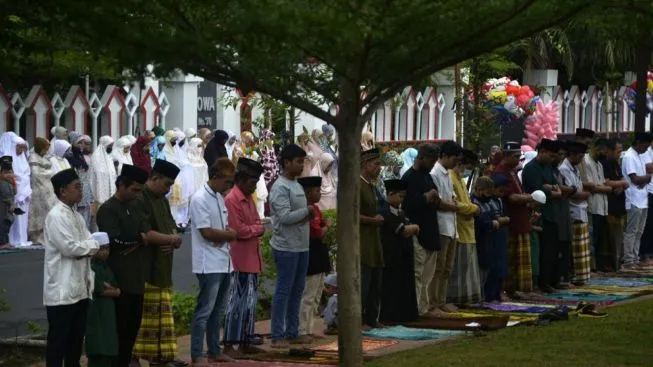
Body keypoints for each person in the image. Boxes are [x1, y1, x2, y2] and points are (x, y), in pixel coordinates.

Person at [43, 168, 108, 367]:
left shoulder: (76, 216)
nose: (81, 192)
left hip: (80, 290)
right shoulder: (56, 216)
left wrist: (92, 246)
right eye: (77, 187)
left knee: (75, 343)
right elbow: (70, 247)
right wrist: (94, 248)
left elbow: (89, 240)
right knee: (58, 344)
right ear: (63, 191)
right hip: (62, 292)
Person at [132, 159, 187, 366]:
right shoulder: (140, 198)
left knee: (161, 316)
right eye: (167, 184)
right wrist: (170, 239)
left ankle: (161, 357)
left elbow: (172, 227)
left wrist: (173, 239)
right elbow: (145, 232)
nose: (168, 189)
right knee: (144, 318)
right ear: (154, 178)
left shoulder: (161, 199)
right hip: (146, 268)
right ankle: (135, 356)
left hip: (163, 266)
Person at [96, 164, 150, 367]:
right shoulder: (108, 209)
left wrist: (137, 239)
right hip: (118, 279)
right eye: (134, 189)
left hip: (136, 277)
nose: (137, 194)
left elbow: (145, 231)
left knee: (132, 330)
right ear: (121, 186)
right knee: (118, 329)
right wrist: (138, 239)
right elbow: (115, 241)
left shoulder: (135, 205)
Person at [189, 159, 237, 366]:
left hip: (224, 260)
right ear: (215, 177)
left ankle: (214, 350)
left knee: (218, 310)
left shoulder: (219, 197)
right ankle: (197, 353)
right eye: (227, 181)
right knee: (205, 311)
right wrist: (229, 235)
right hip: (208, 263)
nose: (229, 186)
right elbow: (206, 232)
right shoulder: (199, 198)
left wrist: (227, 236)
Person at [223, 158, 266, 358]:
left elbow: (258, 223)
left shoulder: (248, 198)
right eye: (252, 182)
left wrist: (254, 229)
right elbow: (238, 230)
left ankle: (245, 342)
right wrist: (255, 229)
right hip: (239, 260)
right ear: (240, 179)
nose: (255, 186)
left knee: (249, 303)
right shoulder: (232, 199)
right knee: (236, 305)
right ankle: (230, 345)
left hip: (252, 258)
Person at [269, 144, 311, 347]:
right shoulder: (280, 187)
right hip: (285, 247)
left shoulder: (296, 184)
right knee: (283, 292)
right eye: (299, 162)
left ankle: (293, 332)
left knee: (297, 291)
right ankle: (277, 335)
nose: (302, 165)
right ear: (286, 163)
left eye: (303, 161)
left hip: (301, 246)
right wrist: (308, 212)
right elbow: (285, 217)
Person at [401, 144, 440, 315]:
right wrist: (426, 197)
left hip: (431, 229)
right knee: (418, 274)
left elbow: (434, 196)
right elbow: (406, 205)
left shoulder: (427, 176)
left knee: (428, 276)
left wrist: (434, 197)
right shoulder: (408, 178)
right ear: (421, 158)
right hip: (417, 232)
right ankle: (416, 309)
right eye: (431, 160)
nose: (433, 164)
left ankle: (425, 307)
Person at [492, 141, 534, 297]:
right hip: (508, 222)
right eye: (516, 156)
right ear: (507, 156)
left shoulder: (512, 172)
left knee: (517, 260)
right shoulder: (500, 173)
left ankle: (514, 289)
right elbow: (512, 198)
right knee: (507, 258)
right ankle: (504, 290)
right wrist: (529, 197)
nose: (518, 160)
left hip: (519, 220)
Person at [521, 139, 563, 293]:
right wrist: (551, 191)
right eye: (551, 156)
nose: (553, 160)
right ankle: (541, 282)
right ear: (542, 151)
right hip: (539, 214)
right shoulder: (531, 168)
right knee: (542, 250)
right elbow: (538, 191)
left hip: (552, 213)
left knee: (552, 249)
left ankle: (552, 279)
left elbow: (554, 187)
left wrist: (550, 189)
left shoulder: (548, 167)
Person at [379, 179, 419, 322]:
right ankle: (390, 317)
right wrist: (414, 228)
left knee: (405, 285)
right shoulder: (385, 211)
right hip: (392, 255)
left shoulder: (400, 212)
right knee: (392, 287)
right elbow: (403, 230)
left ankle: (405, 314)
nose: (402, 200)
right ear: (390, 194)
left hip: (404, 254)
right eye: (400, 196)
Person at [429, 140, 461, 314]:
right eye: (454, 158)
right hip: (442, 225)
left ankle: (442, 300)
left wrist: (454, 202)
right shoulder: (435, 173)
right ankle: (433, 303)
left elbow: (451, 196)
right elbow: (438, 202)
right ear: (445, 156)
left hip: (451, 226)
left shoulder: (447, 173)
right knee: (438, 268)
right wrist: (454, 206)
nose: (456, 162)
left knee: (447, 268)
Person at [298, 176, 331, 338]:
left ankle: (309, 328)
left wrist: (324, 228)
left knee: (317, 293)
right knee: (309, 295)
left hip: (320, 253)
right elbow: (317, 231)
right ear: (308, 193)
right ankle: (302, 329)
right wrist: (325, 229)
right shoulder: (307, 210)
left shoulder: (316, 209)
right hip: (312, 253)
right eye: (317, 190)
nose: (319, 193)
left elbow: (323, 224)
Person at [447, 149, 482, 305]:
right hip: (459, 228)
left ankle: (465, 299)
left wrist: (471, 208)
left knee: (466, 269)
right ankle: (454, 300)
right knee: (457, 271)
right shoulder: (450, 177)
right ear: (461, 163)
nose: (468, 170)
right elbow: (454, 204)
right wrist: (473, 209)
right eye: (468, 166)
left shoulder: (460, 179)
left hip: (467, 228)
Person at [558, 141, 591, 285]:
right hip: (573, 210)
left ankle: (582, 276)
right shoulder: (564, 168)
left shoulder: (574, 168)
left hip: (581, 209)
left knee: (582, 247)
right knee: (575, 248)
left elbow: (578, 189)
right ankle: (574, 275)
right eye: (580, 156)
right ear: (573, 155)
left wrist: (582, 194)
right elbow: (573, 192)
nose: (581, 160)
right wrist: (583, 194)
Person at [359, 148, 384, 329]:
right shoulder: (357, 185)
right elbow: (350, 214)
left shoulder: (371, 185)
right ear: (365, 165)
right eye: (376, 164)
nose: (379, 168)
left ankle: (372, 318)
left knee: (375, 281)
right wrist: (372, 220)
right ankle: (359, 320)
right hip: (363, 240)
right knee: (363, 282)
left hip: (374, 239)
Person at [85, 241, 120, 367]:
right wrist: (110, 290)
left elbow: (117, 290)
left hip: (108, 310)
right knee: (98, 344)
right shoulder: (91, 267)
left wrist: (109, 289)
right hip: (96, 309)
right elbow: (99, 290)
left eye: (107, 249)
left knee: (109, 344)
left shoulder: (107, 267)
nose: (105, 252)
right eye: (101, 249)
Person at [621, 132, 652, 270]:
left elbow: (643, 179)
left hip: (643, 198)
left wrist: (645, 179)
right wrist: (647, 178)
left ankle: (635, 257)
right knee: (632, 231)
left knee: (639, 231)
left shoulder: (638, 156)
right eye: (645, 146)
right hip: (633, 198)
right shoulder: (629, 157)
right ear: (638, 143)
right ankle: (628, 259)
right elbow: (635, 179)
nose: (646, 149)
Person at [583, 139, 613, 271]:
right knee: (592, 237)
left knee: (599, 237)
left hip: (602, 206)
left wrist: (605, 187)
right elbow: (592, 187)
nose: (604, 153)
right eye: (603, 150)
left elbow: (602, 184)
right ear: (595, 148)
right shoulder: (586, 162)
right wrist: (608, 188)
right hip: (593, 205)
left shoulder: (599, 164)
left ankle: (597, 266)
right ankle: (591, 267)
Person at [601, 139, 628, 271]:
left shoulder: (616, 164)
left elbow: (623, 180)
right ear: (610, 151)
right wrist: (622, 184)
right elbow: (606, 183)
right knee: (610, 237)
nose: (619, 154)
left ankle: (618, 262)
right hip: (610, 206)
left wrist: (622, 185)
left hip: (619, 205)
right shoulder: (605, 164)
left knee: (618, 236)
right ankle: (610, 264)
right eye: (618, 151)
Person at [0, 133, 31, 247]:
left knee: (23, 218)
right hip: (12, 193)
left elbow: (27, 174)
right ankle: (10, 239)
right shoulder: (8, 160)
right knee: (10, 218)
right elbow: (9, 176)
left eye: (23, 147)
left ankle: (21, 238)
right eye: (19, 147)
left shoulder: (23, 159)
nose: (21, 150)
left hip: (25, 192)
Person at [551, 141, 574, 289]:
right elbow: (558, 189)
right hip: (555, 212)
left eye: (563, 154)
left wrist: (569, 189)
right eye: (559, 154)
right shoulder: (553, 170)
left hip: (564, 210)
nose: (561, 157)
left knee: (565, 245)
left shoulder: (557, 170)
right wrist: (568, 189)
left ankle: (564, 276)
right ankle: (557, 278)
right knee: (556, 246)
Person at [28, 137, 57, 246]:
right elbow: (36, 174)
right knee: (40, 214)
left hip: (48, 189)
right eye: (45, 148)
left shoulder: (44, 157)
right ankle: (38, 238)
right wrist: (50, 173)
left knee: (49, 212)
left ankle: (48, 237)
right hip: (38, 190)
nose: (46, 150)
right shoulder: (33, 157)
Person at [90, 136, 117, 229]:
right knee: (99, 219)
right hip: (99, 196)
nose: (111, 147)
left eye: (112, 145)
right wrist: (96, 196)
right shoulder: (96, 157)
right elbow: (93, 178)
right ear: (104, 145)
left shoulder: (109, 157)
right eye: (110, 145)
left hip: (111, 194)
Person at [67, 133, 94, 230]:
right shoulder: (69, 157)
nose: (82, 145)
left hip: (85, 190)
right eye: (79, 143)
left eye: (83, 143)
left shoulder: (80, 155)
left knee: (85, 214)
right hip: (76, 189)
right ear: (73, 143)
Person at [0, 156, 16, 248]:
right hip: (4, 206)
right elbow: (6, 195)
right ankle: (2, 243)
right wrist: (11, 203)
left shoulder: (10, 181)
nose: (10, 174)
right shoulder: (2, 181)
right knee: (4, 223)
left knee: (7, 223)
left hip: (8, 206)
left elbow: (14, 192)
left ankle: (5, 242)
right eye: (7, 172)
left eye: (10, 172)